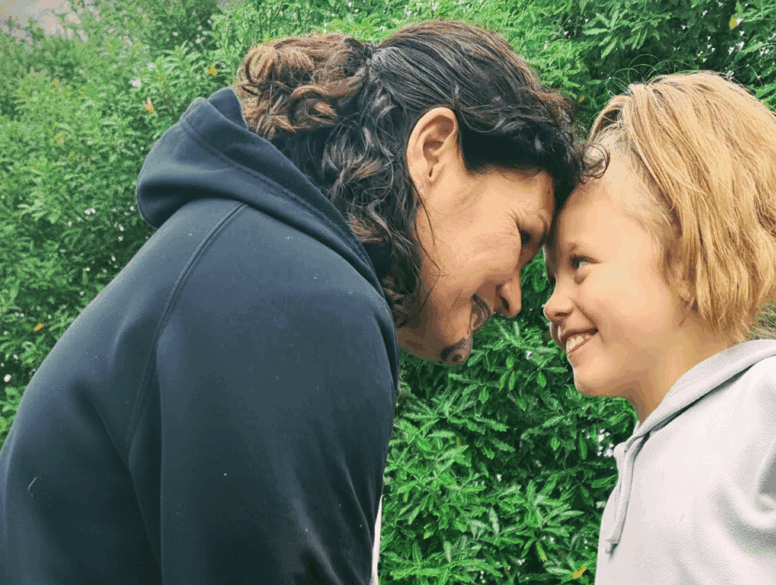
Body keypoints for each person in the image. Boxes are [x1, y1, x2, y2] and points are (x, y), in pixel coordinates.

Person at [0, 21, 587, 584]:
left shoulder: (248, 263)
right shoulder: (300, 299)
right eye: (523, 235)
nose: (514, 297)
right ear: (433, 150)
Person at [541, 72, 776, 583]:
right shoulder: (640, 464)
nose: (551, 304)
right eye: (550, 278)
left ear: (685, 259)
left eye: (580, 263)